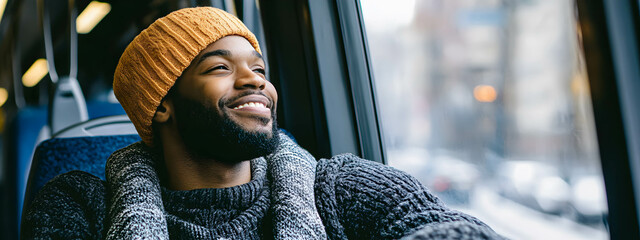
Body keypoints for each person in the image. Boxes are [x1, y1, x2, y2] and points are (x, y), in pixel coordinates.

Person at [21, 7, 504, 240]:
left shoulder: (337, 187)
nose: (257, 83)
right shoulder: (79, 205)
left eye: (259, 69)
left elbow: (452, 228)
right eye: (219, 67)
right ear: (162, 104)